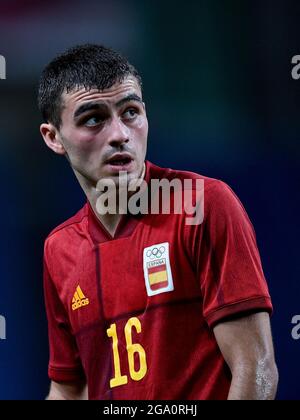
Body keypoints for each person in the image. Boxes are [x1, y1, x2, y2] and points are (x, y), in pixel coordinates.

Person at [38, 44, 278, 400]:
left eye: (130, 112)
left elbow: (254, 366)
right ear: (53, 137)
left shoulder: (201, 205)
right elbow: (70, 389)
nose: (119, 133)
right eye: (94, 118)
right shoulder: (59, 249)